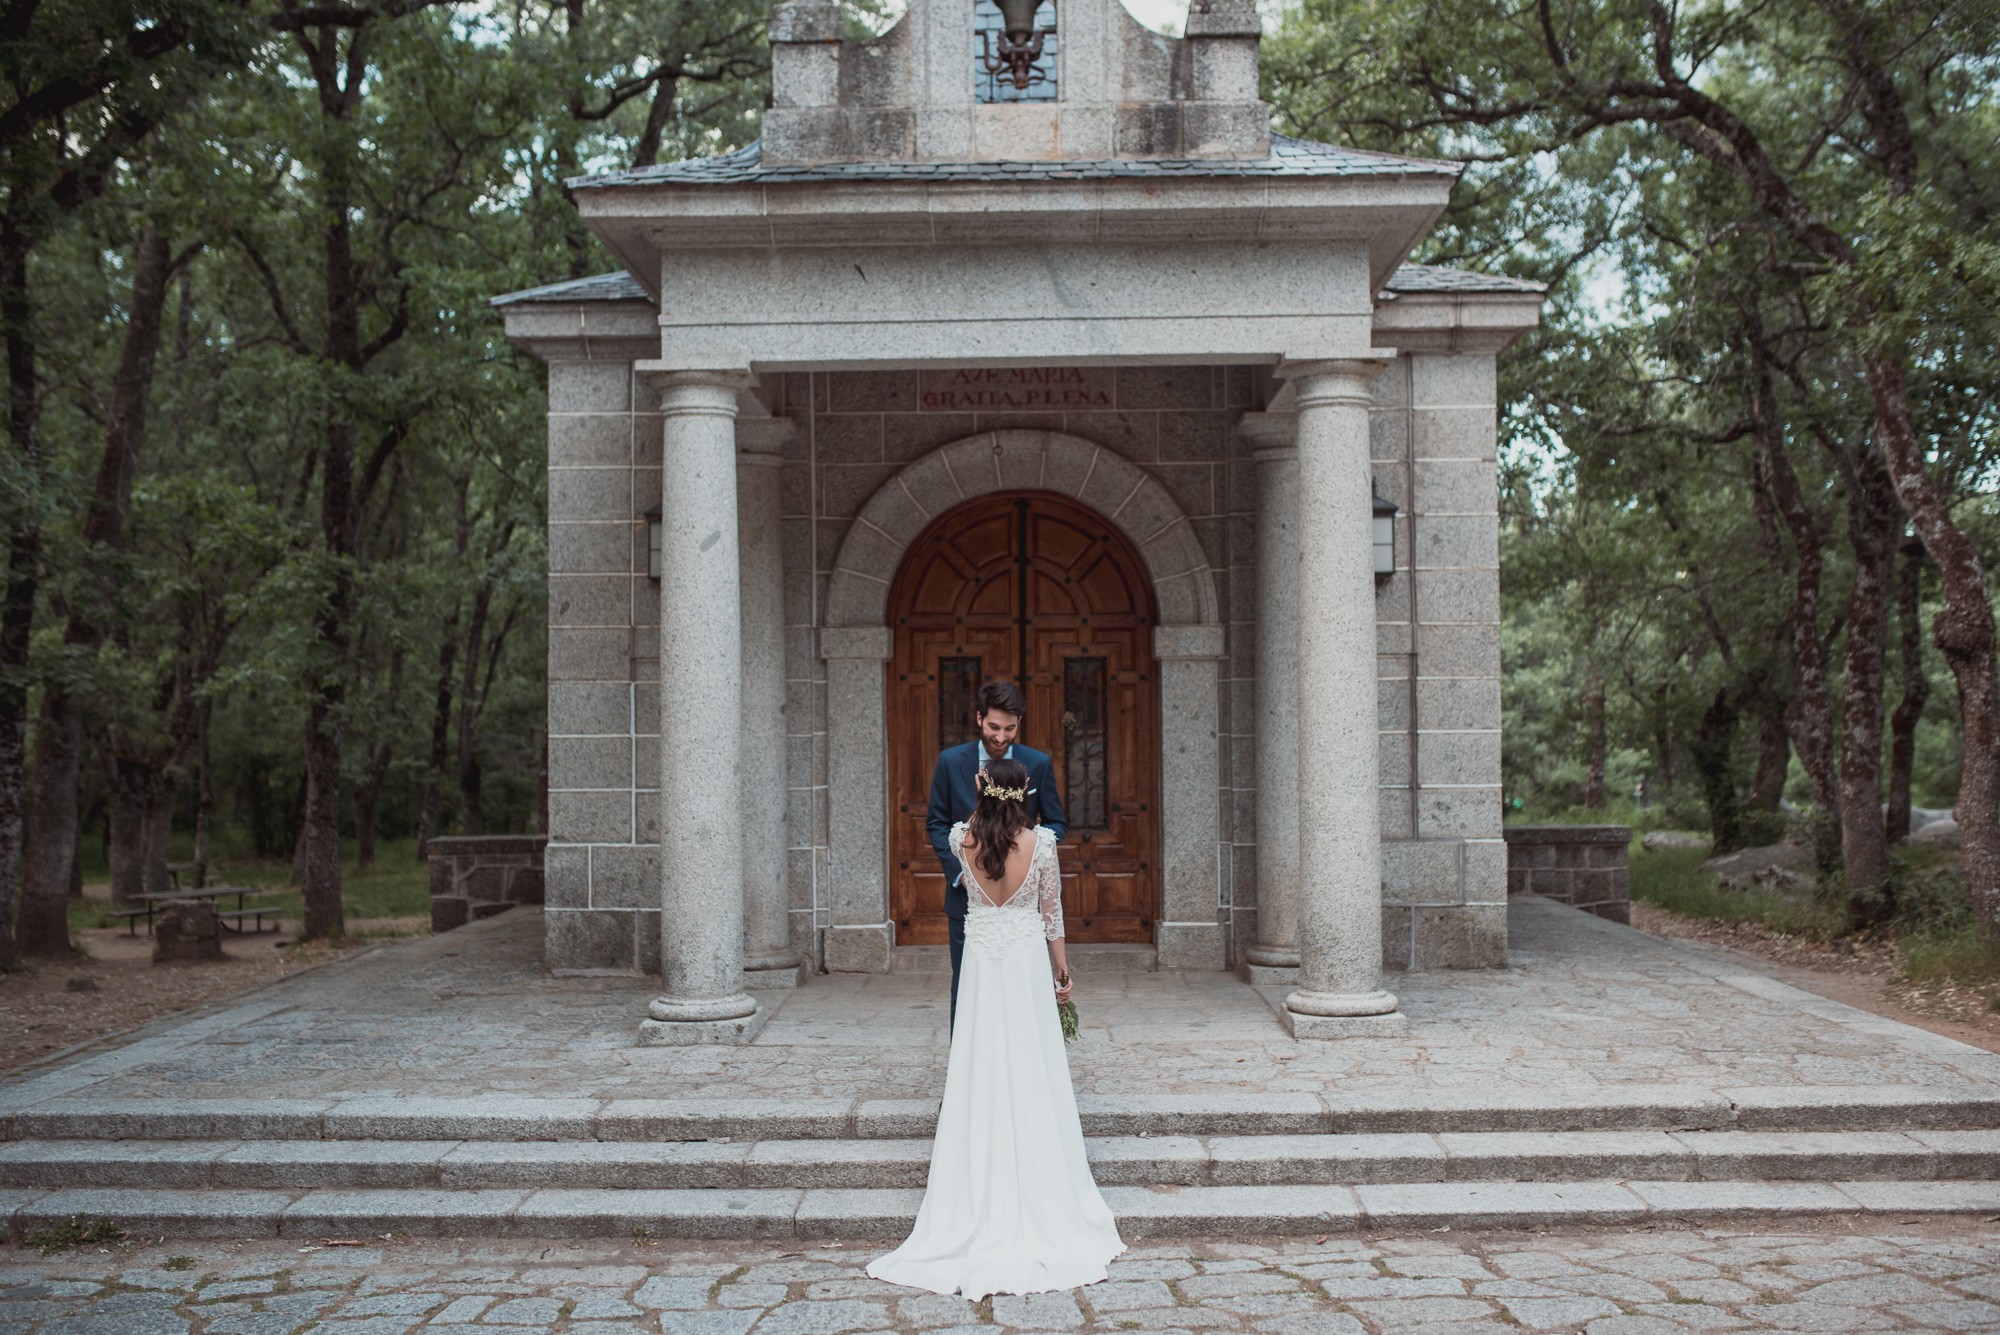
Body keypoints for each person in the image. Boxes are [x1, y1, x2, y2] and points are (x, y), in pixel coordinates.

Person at [869, 758, 1124, 1298]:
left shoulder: (962, 840)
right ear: (1026, 791)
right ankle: (1041, 1180)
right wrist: (1062, 973)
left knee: (981, 1063)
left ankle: (974, 1178)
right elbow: (1051, 915)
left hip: (984, 963)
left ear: (982, 787)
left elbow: (971, 888)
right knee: (1031, 1062)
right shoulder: (1043, 845)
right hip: (1026, 960)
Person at [924, 681, 1067, 1027]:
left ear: (1019, 724)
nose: (1001, 737)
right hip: (968, 900)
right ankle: (967, 1069)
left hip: (1020, 904)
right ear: (979, 719)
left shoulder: (1038, 763)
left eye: (1009, 728)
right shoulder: (949, 761)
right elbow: (936, 823)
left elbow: (1056, 823)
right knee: (968, 988)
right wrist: (962, 872)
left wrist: (1027, 851)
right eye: (993, 727)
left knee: (1023, 993)